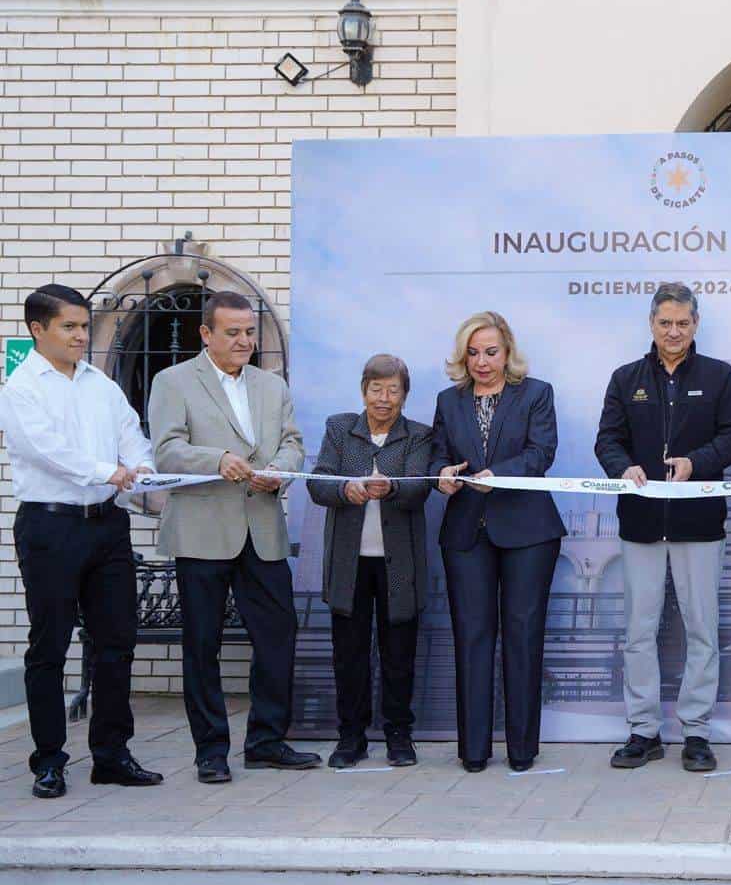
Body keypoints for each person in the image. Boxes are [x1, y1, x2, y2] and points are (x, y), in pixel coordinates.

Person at [0, 285, 163, 798]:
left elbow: (132, 435)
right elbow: (49, 452)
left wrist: (142, 470)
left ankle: (111, 754)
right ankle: (49, 761)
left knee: (117, 643)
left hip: (107, 525)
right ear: (37, 330)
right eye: (68, 327)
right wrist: (110, 471)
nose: (79, 336)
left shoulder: (101, 385)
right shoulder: (21, 387)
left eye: (83, 326)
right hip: (51, 527)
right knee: (49, 647)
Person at [148, 290, 318, 782]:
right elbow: (167, 451)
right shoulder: (173, 381)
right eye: (233, 332)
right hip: (202, 532)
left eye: (249, 332)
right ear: (206, 334)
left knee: (278, 636)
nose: (244, 341)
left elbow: (292, 444)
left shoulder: (272, 385)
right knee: (203, 645)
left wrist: (280, 472)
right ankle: (211, 751)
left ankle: (266, 741)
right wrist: (217, 461)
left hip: (262, 529)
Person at [594, 283, 731, 773]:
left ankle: (697, 732)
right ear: (651, 324)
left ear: (696, 324)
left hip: (699, 523)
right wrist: (624, 469)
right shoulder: (626, 378)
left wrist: (696, 463)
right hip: (640, 523)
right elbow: (607, 440)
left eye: (683, 323)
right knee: (639, 631)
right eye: (665, 323)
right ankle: (643, 730)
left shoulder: (720, 377)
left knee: (702, 630)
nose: (674, 332)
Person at [430, 311, 565, 773]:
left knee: (523, 637)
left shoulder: (536, 393)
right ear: (462, 355)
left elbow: (540, 453)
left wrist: (499, 476)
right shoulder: (448, 401)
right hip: (466, 532)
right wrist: (443, 476)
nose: (481, 362)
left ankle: (523, 750)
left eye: (490, 351)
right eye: (473, 352)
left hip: (528, 531)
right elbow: (439, 456)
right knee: (472, 637)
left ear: (507, 351)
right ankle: (473, 750)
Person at [305, 354, 432, 769]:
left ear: (404, 396)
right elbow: (320, 482)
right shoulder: (340, 429)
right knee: (350, 655)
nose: (384, 398)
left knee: (399, 654)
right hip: (350, 565)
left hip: (399, 568)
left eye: (393, 390)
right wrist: (347, 492)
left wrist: (390, 486)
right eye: (376, 389)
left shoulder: (418, 435)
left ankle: (399, 735)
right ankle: (351, 737)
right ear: (363, 391)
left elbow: (417, 490)